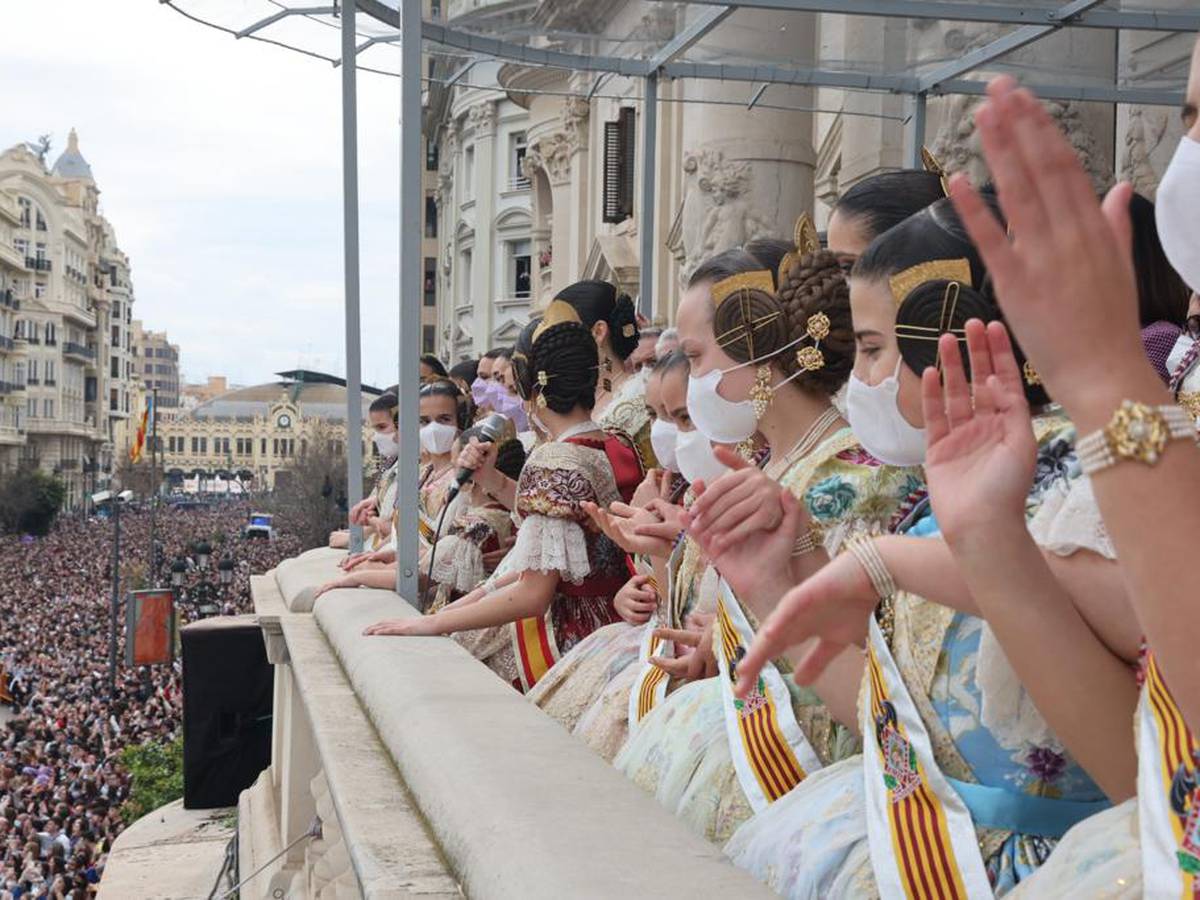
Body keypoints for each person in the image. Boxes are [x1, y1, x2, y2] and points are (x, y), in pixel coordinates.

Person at [722, 196, 1121, 896]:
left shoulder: (1091, 490)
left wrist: (896, 562)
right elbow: (899, 733)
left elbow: (1144, 765)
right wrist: (768, 587)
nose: (858, 380)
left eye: (873, 349)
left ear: (950, 330)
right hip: (916, 846)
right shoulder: (929, 500)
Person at [612, 230, 922, 846]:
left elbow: (875, 647)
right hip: (740, 724)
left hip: (808, 754)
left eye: (696, 358)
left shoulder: (851, 475)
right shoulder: (761, 464)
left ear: (758, 348)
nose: (690, 381)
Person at [363, 308, 643, 694]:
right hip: (612, 621)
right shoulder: (614, 442)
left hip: (569, 635)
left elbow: (533, 592)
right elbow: (561, 521)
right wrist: (492, 480)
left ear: (533, 390)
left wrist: (434, 623)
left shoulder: (554, 460)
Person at [331, 393, 400, 557]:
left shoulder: (415, 469)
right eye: (374, 429)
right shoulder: (390, 465)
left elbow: (395, 528)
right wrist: (371, 506)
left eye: (382, 427)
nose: (377, 436)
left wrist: (367, 524)